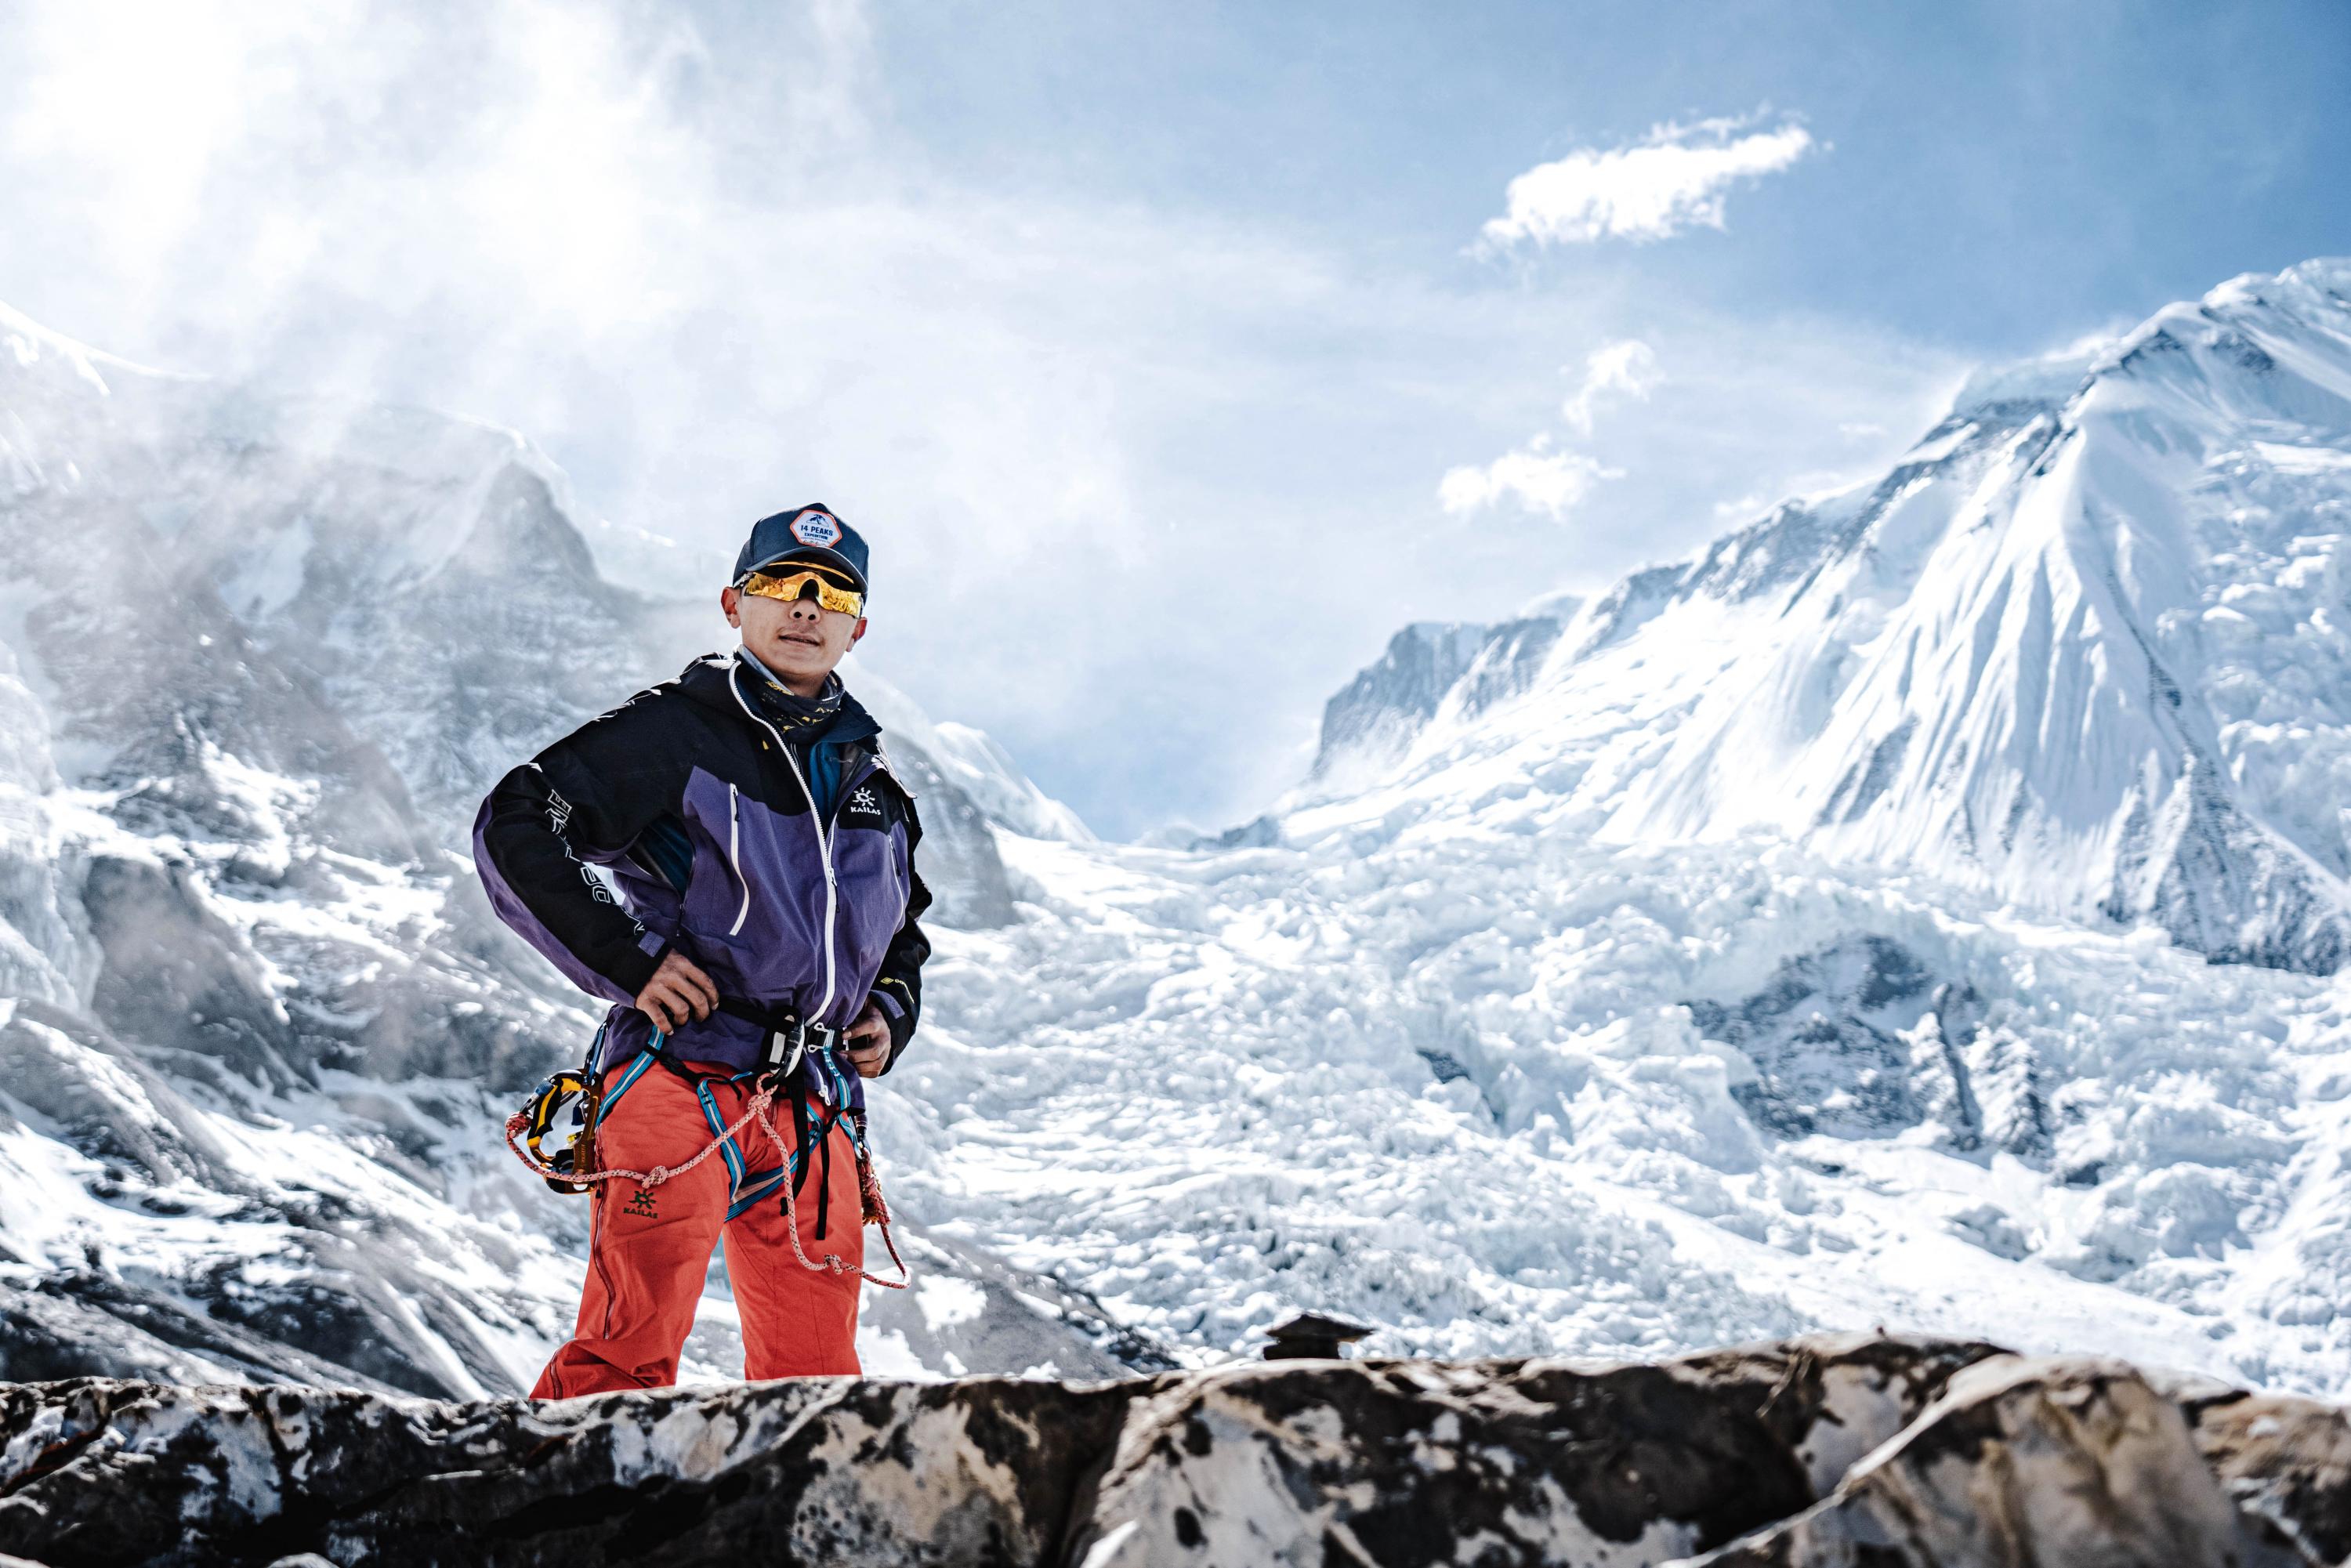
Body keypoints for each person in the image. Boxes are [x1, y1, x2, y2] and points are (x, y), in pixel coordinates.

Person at [473, 503, 930, 1396]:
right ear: (734, 604)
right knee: (624, 1354)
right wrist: (630, 963)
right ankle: (555, 1528)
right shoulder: (674, 733)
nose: (806, 606)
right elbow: (517, 822)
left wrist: (890, 1009)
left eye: (833, 593)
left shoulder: (876, 783)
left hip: (815, 1110)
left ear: (857, 627)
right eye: (781, 586)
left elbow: (902, 928)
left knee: (816, 1387)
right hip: (679, 1080)